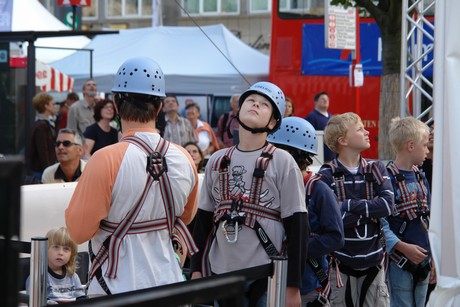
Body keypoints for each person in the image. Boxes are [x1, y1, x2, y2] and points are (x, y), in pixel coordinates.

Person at [65, 56, 199, 296]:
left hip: (115, 287)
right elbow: (186, 218)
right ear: (158, 107)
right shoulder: (184, 158)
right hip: (169, 283)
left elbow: (78, 231)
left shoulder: (105, 159)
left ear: (116, 104)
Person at [191, 81, 308, 307]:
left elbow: (298, 227)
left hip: (264, 272)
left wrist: (293, 286)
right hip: (220, 271)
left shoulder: (283, 162)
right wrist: (196, 270)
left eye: (264, 104)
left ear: (273, 122)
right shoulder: (217, 160)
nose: (256, 105)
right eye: (251, 101)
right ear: (238, 110)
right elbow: (203, 222)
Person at [318, 112, 394, 307]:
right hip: (340, 268)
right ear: (342, 140)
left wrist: (346, 205)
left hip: (374, 265)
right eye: (360, 129)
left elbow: (387, 206)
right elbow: (331, 222)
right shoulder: (327, 174)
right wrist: (370, 212)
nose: (367, 131)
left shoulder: (376, 167)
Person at [267, 116, 344, 306]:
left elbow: (335, 237)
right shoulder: (270, 187)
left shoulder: (318, 190)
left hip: (308, 286)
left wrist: (295, 248)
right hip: (271, 283)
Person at [382, 117, 434, 307]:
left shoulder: (421, 176)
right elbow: (380, 224)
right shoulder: (386, 178)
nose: (428, 151)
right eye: (425, 146)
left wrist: (434, 256)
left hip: (424, 260)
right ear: (411, 146)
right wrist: (402, 247)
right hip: (399, 262)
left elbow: (429, 218)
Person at [26, 227, 86, 303]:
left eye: (66, 249)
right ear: (45, 249)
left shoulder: (73, 276)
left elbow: (81, 299)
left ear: (72, 254)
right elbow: (35, 302)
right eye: (56, 247)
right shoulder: (38, 277)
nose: (60, 253)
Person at [28, 92, 57, 182]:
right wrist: (49, 171)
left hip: (40, 170)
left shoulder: (41, 124)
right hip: (41, 171)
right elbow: (43, 151)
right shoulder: (42, 126)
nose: (55, 106)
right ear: (46, 106)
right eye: (52, 104)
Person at [305, 92, 335, 162]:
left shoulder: (332, 117)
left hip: (332, 156)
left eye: (327, 99)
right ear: (316, 102)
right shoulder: (311, 117)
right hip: (319, 158)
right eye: (322, 99)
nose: (325, 101)